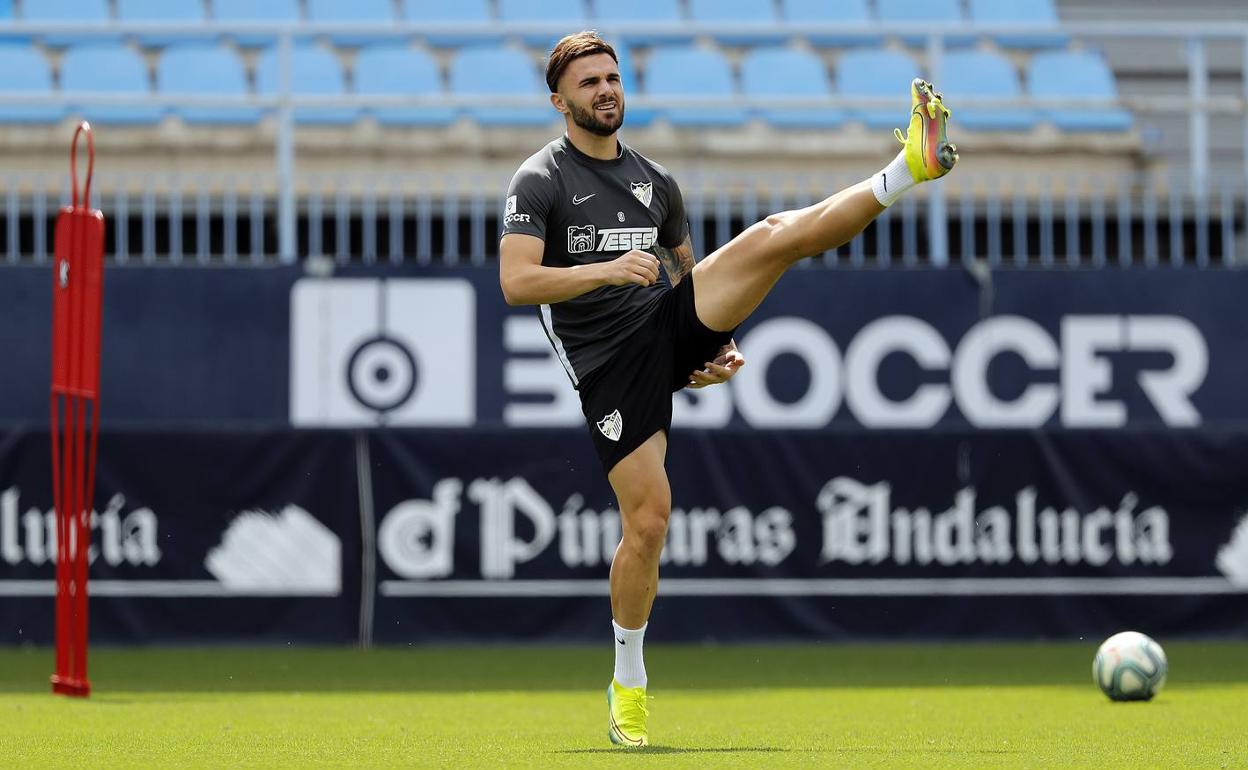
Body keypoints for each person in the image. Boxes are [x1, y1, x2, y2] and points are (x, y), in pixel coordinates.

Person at [498, 31, 957, 747]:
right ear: (559, 101)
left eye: (613, 78)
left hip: (663, 325)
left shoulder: (656, 183)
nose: (606, 90)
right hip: (609, 366)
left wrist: (716, 345)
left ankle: (906, 167)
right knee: (649, 522)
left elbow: (687, 277)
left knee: (775, 234)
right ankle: (629, 681)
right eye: (589, 83)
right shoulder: (540, 181)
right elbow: (515, 282)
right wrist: (607, 271)